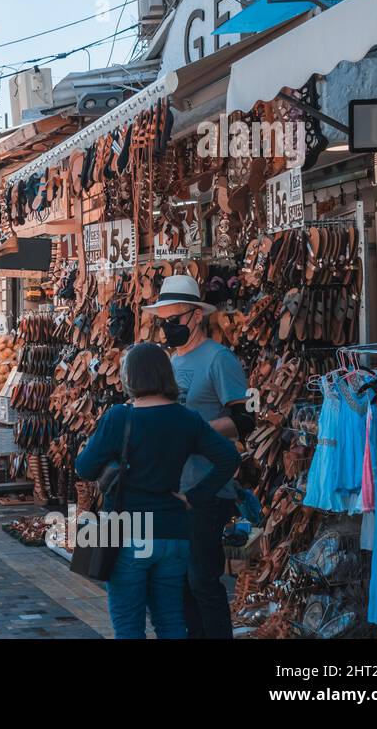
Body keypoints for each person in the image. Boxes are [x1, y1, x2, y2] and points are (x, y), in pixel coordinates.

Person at [75, 343, 240, 640]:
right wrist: (195, 496)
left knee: (129, 625)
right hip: (174, 529)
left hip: (129, 529)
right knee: (171, 621)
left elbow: (84, 467)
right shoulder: (186, 418)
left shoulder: (118, 417)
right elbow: (229, 458)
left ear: (131, 377)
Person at [143, 274, 254, 640]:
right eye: (164, 322)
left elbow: (244, 420)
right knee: (179, 582)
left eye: (174, 321)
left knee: (202, 579)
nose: (168, 328)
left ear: (196, 316)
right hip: (171, 489)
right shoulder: (170, 362)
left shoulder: (219, 360)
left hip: (206, 489)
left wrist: (194, 430)